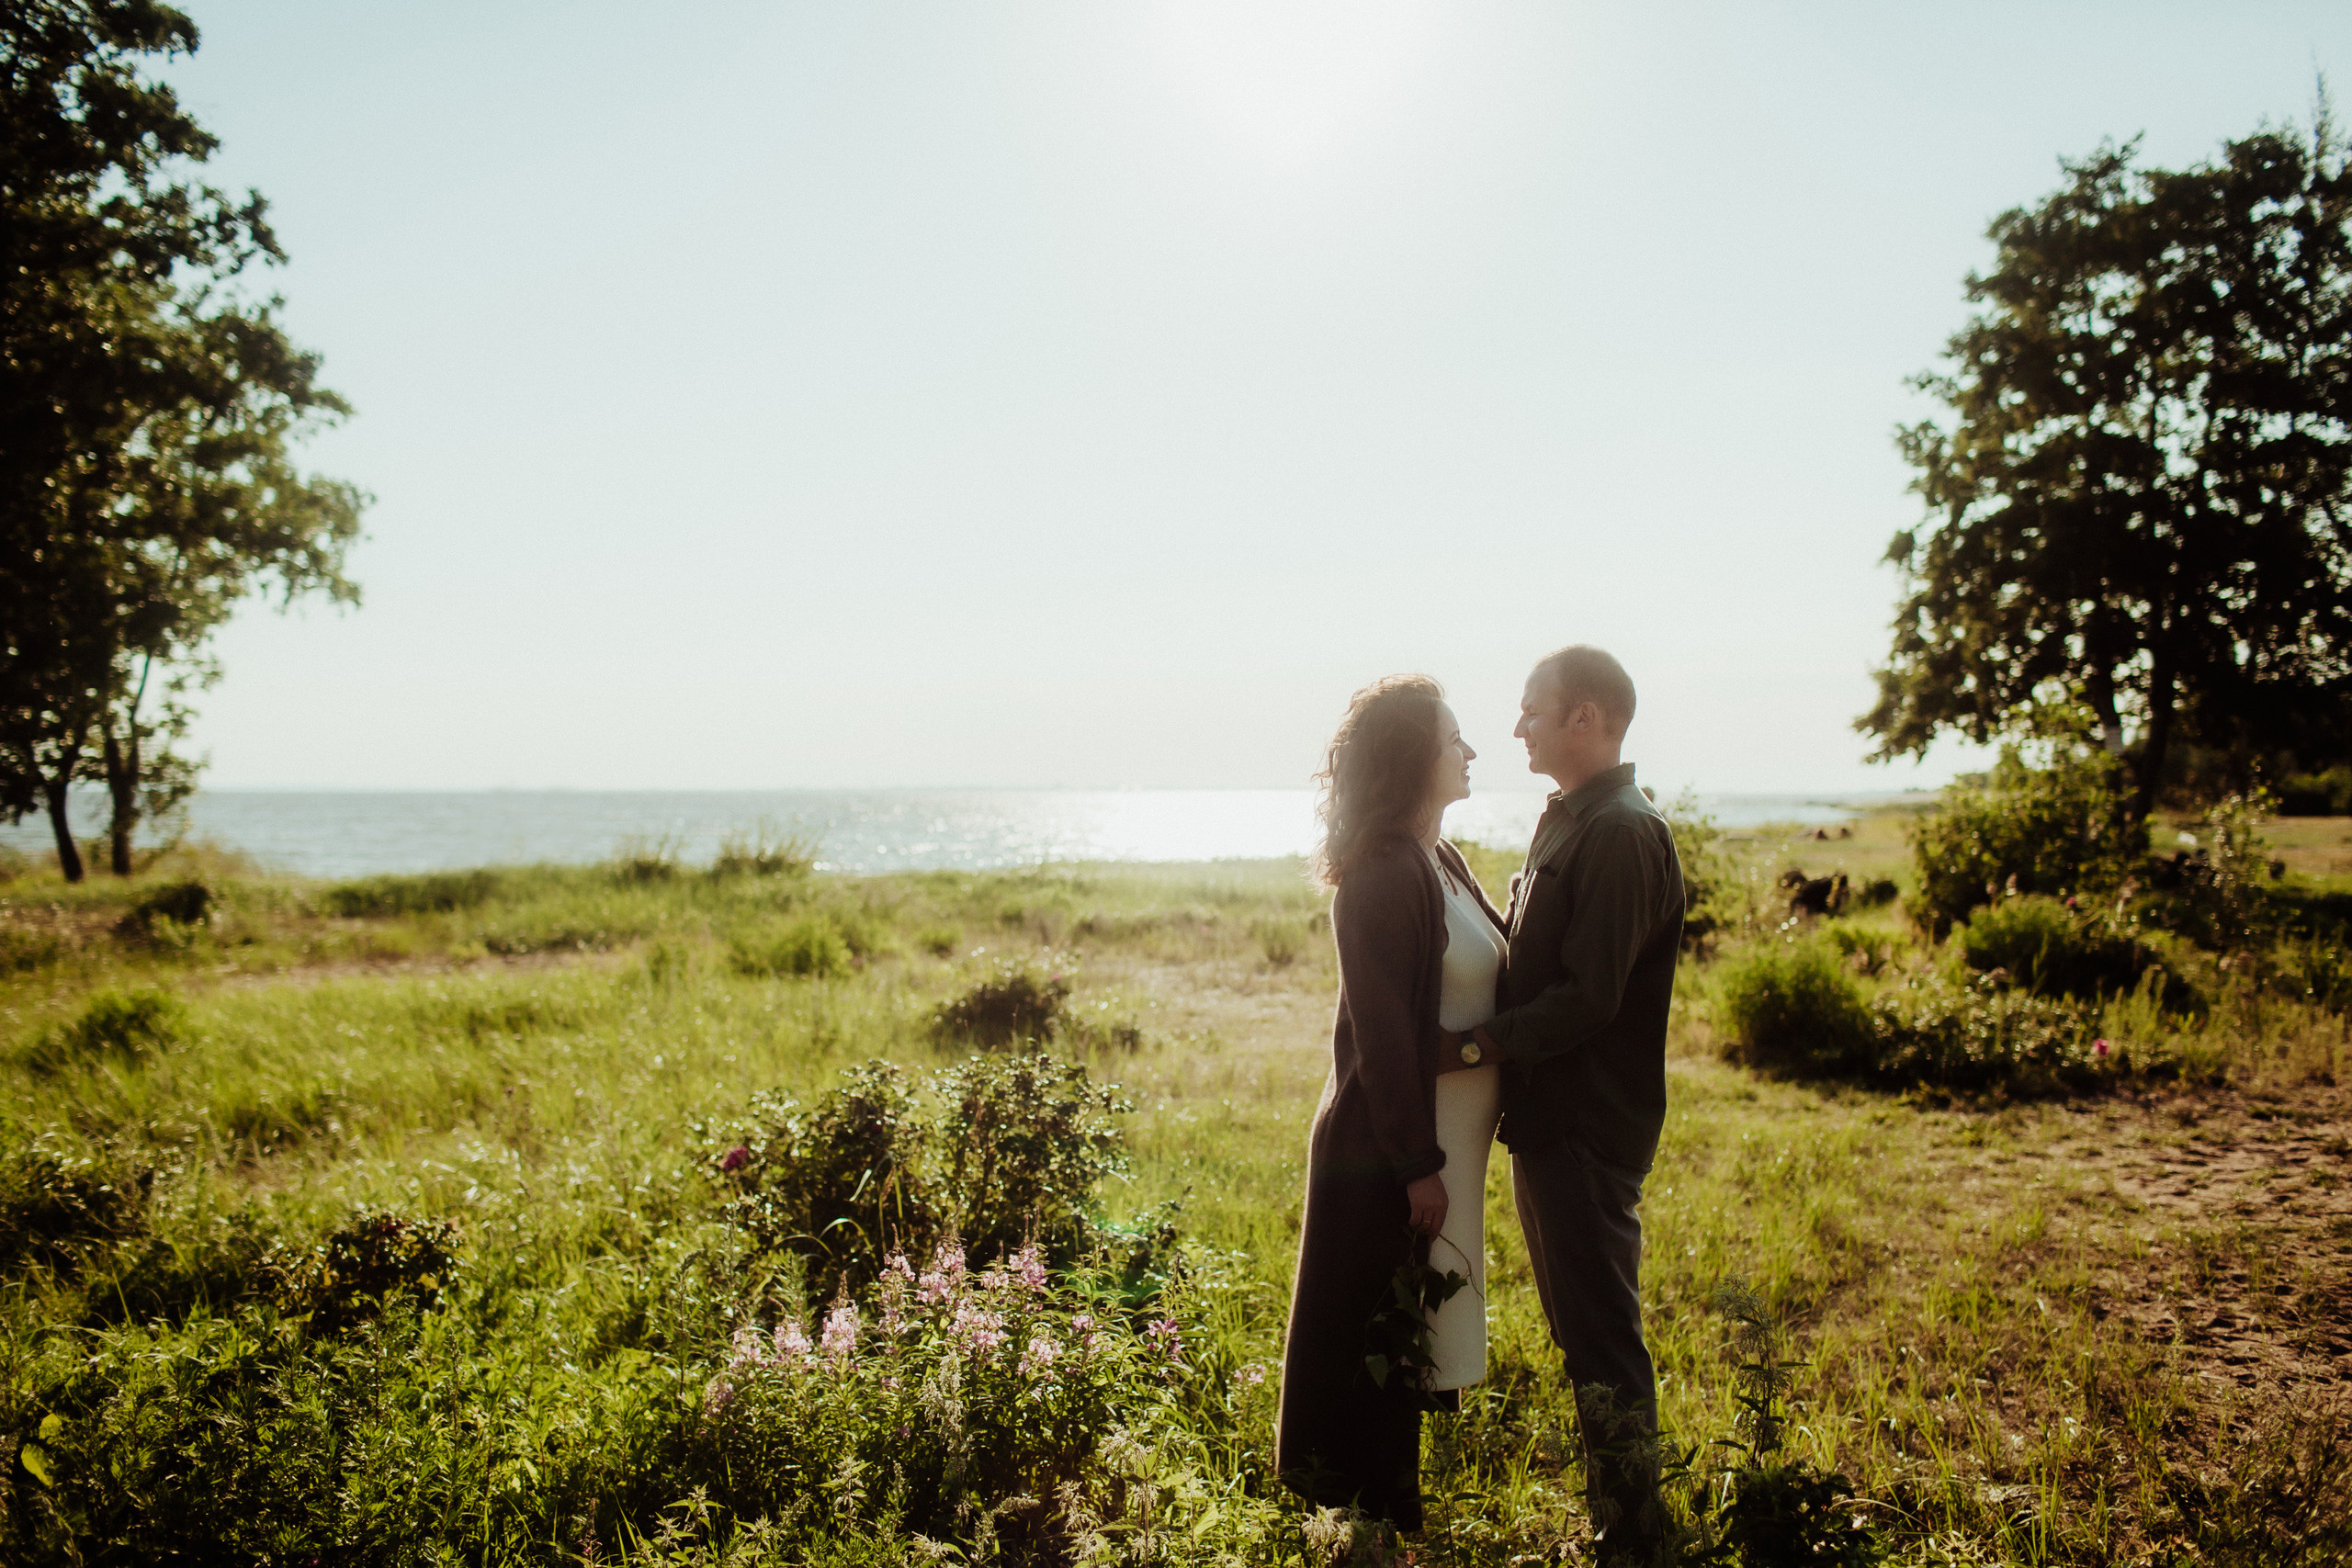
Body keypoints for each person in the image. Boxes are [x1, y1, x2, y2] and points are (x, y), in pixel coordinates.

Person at [1438, 644, 1684, 1564]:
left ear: (1587, 718)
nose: (1516, 727)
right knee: (1582, 1334)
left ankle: (1633, 1541)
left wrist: (1468, 1047)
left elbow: (1589, 997)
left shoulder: (1620, 831)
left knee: (1600, 1340)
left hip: (1584, 1125)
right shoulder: (1569, 820)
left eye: (1532, 711)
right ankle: (1622, 1523)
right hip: (1550, 1122)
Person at [1275, 674, 1508, 1536]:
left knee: (1411, 1332)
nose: (1472, 752)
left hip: (1440, 1144)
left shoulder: (1437, 856)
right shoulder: (1379, 870)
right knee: (1376, 1336)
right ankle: (1378, 1526)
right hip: (1387, 1150)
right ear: (1417, 757)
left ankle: (1388, 1520)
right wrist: (1417, 1163)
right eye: (1457, 739)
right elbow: (1380, 1036)